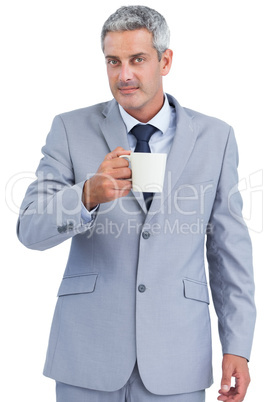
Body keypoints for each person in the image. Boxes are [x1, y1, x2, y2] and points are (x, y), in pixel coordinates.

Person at [17, 5, 256, 402]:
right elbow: (29, 229)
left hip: (177, 359)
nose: (124, 75)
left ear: (165, 61)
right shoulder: (70, 128)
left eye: (137, 60)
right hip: (87, 355)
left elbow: (229, 250)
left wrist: (238, 345)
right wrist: (86, 194)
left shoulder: (217, 138)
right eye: (113, 61)